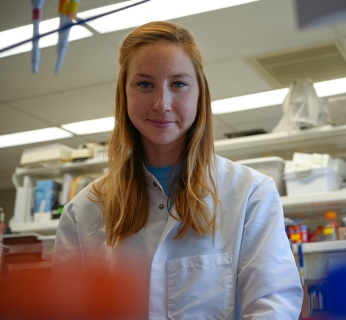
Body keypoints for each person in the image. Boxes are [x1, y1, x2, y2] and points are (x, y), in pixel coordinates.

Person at [53, 20, 303, 319]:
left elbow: (272, 303)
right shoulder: (83, 212)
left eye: (179, 84)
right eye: (145, 84)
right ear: (125, 94)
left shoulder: (250, 193)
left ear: (200, 94)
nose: (162, 103)